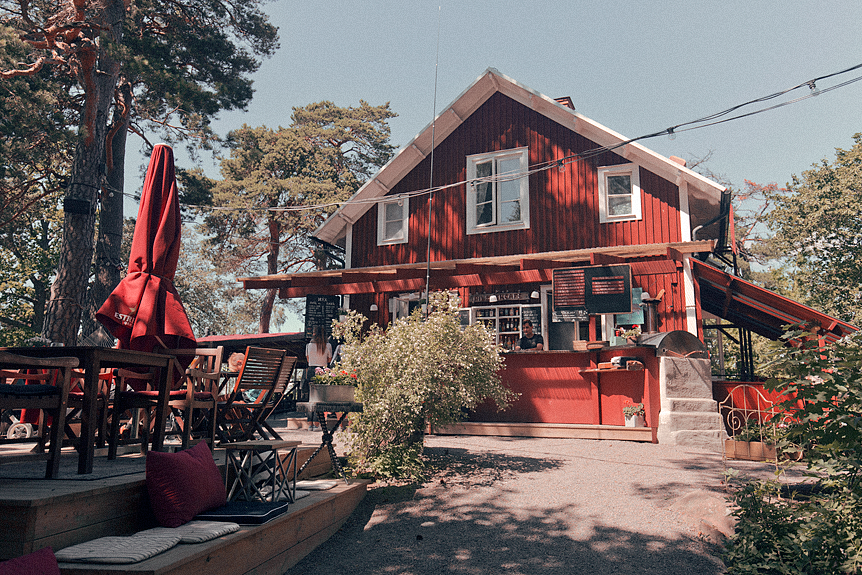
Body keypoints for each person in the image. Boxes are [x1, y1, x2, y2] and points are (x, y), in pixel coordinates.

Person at [303, 326, 332, 430]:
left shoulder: (309, 345)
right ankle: (317, 424)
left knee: (310, 397)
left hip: (311, 370)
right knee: (320, 398)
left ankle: (310, 424)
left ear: (314, 334)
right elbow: (329, 359)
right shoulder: (327, 345)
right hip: (322, 371)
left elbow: (308, 359)